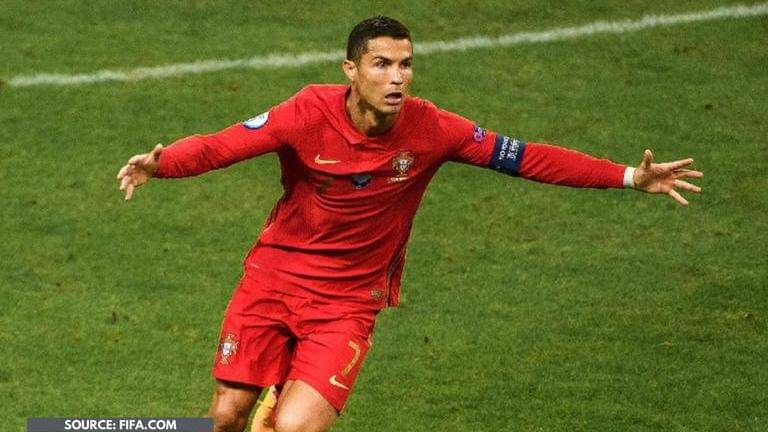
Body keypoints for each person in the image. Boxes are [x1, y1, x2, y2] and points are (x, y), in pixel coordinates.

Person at [116, 16, 702, 432]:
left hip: (347, 301)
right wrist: (161, 165)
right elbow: (223, 145)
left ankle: (281, 397)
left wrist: (630, 176)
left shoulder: (432, 129)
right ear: (351, 70)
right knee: (224, 418)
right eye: (382, 64)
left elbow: (525, 158)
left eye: (405, 64)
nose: (397, 77)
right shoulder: (306, 112)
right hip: (274, 280)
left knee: (292, 428)